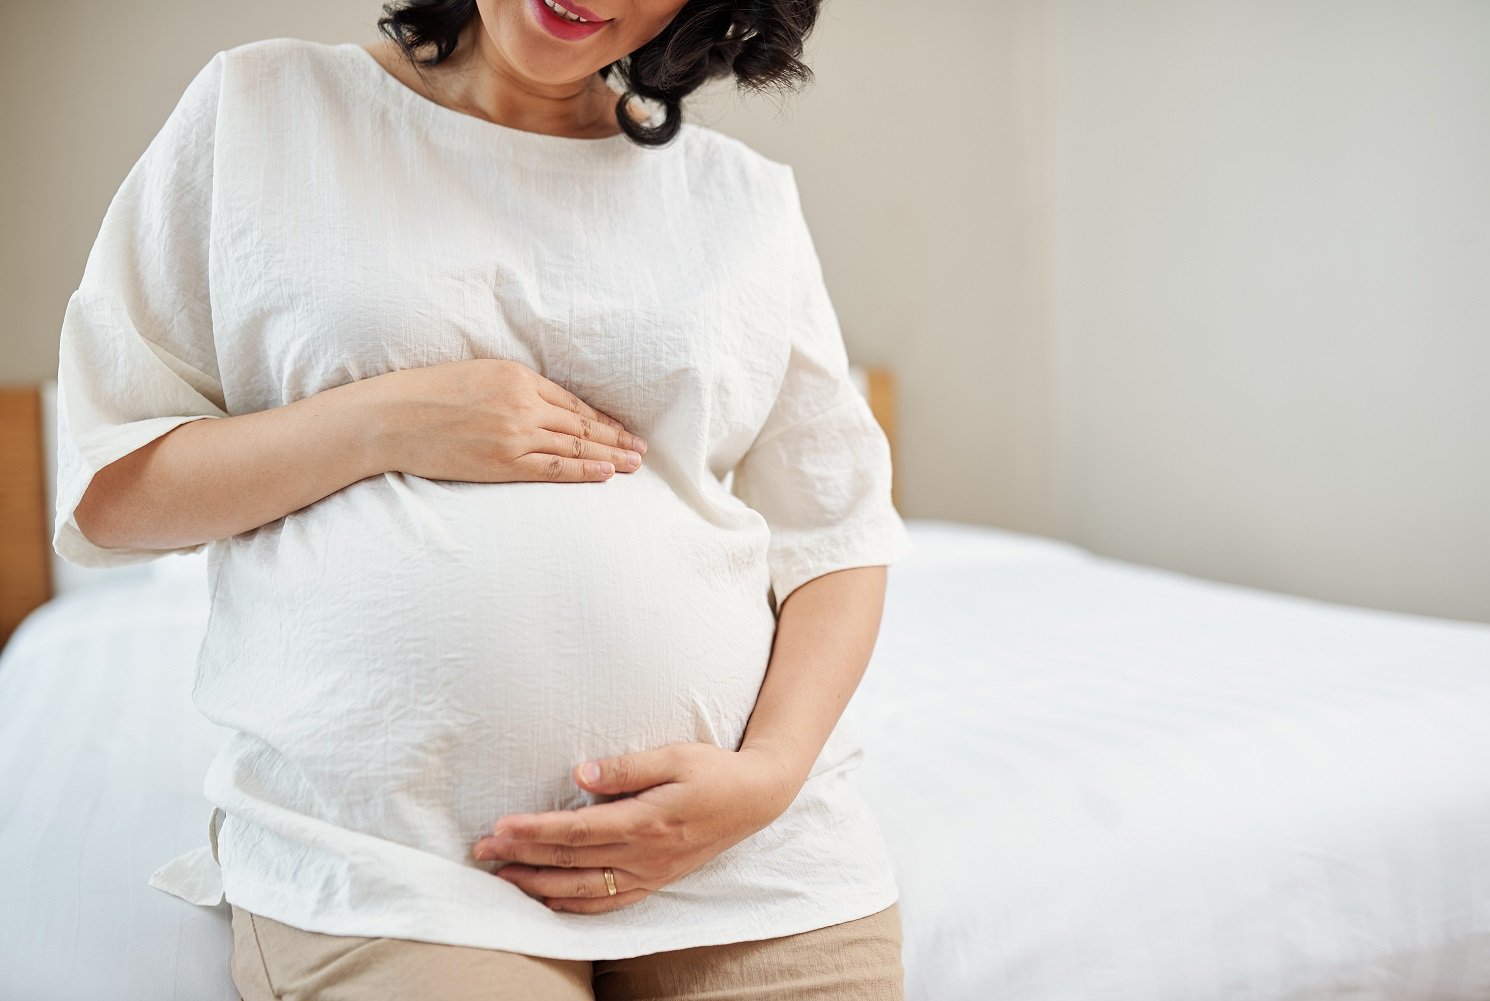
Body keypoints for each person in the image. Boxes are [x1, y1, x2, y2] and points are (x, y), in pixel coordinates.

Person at [53, 0, 913, 997]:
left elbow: (836, 528)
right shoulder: (263, 111)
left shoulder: (739, 199)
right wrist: (387, 421)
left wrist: (766, 776)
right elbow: (112, 489)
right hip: (397, 868)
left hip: (748, 857)